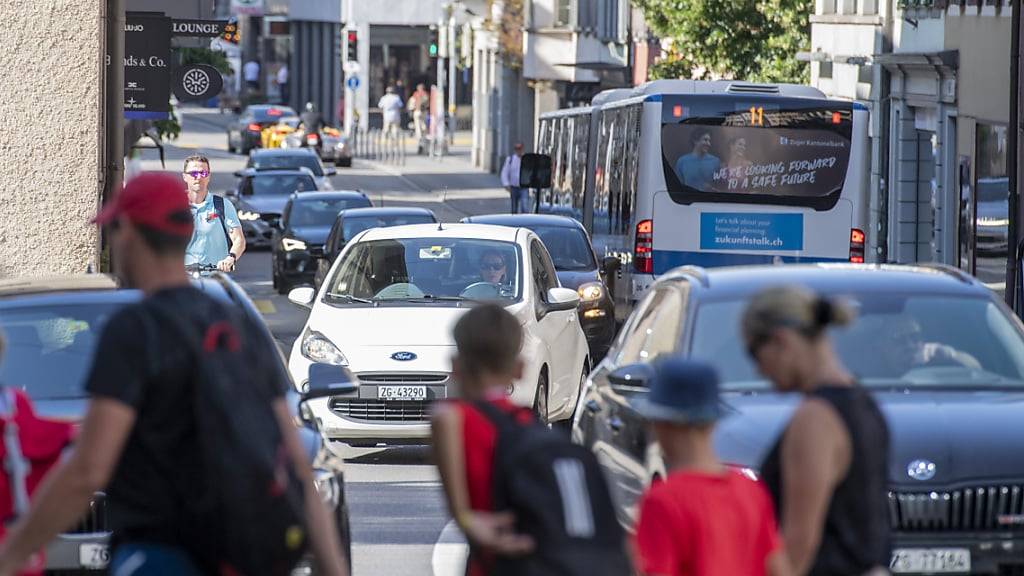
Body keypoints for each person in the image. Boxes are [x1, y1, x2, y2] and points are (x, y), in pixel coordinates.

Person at [0, 173, 349, 576]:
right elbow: (297, 467)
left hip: (162, 556)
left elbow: (87, 472)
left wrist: (12, 554)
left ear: (128, 233)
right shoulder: (237, 323)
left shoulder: (135, 330)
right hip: (246, 556)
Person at [742, 286, 891, 576]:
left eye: (754, 355)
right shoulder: (863, 404)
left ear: (781, 341)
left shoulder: (814, 419)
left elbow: (797, 548)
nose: (759, 371)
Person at [632, 359, 788, 576]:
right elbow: (777, 568)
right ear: (714, 422)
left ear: (662, 425)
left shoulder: (662, 501)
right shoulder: (751, 491)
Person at [432, 304, 536, 576]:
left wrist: (467, 520)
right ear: (519, 369)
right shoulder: (529, 423)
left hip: (489, 561)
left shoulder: (453, 419)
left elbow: (460, 509)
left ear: (455, 365)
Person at [182, 154, 245, 271]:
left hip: (214, 275)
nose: (198, 177)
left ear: (209, 176)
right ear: (184, 177)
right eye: (193, 173)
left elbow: (238, 239)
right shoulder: (174, 206)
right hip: (182, 277)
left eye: (203, 173)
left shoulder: (223, 205)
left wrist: (230, 258)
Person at [501, 143, 529, 214]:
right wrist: (506, 184)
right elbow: (505, 172)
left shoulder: (526, 159)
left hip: (524, 187)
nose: (518, 151)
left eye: (520, 149)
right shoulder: (510, 159)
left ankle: (525, 219)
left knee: (524, 206)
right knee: (514, 208)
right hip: (514, 187)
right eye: (517, 149)